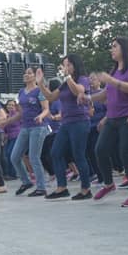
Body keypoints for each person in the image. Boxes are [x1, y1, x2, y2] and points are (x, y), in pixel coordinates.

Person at [89, 37, 128, 206]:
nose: (111, 49)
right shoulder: (114, 71)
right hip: (112, 118)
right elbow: (106, 94)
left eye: (114, 46)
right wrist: (87, 98)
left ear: (125, 49)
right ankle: (108, 184)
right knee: (100, 150)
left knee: (126, 155)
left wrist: (112, 81)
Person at [39, 54, 93, 201]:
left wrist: (68, 77)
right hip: (66, 123)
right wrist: (40, 84)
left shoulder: (82, 79)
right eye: (64, 65)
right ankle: (62, 187)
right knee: (55, 152)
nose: (65, 68)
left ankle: (86, 189)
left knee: (78, 155)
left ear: (75, 65)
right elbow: (50, 97)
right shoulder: (64, 83)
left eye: (68, 64)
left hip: (80, 121)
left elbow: (78, 92)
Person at [9, 68, 51, 197]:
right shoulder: (21, 92)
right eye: (25, 73)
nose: (26, 75)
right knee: (14, 157)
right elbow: (21, 113)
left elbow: (46, 109)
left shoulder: (39, 91)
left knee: (34, 157)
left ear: (34, 76)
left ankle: (41, 187)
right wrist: (7, 121)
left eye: (29, 73)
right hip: (25, 127)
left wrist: (41, 116)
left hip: (38, 127)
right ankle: (26, 181)